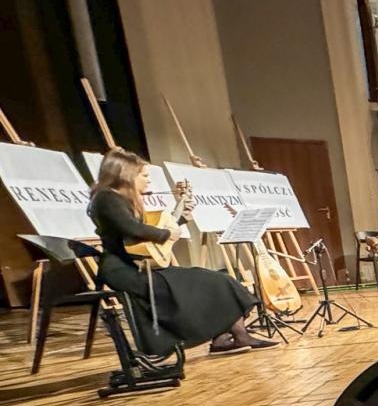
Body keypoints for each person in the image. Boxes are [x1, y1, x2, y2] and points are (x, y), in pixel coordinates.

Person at [86, 147, 270, 355]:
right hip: (125, 271)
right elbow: (132, 229)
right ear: (126, 174)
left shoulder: (117, 199)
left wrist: (180, 219)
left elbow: (139, 237)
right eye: (144, 175)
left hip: (138, 266)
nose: (148, 180)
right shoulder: (106, 198)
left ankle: (232, 335)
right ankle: (227, 335)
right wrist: (166, 234)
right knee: (208, 282)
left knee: (219, 279)